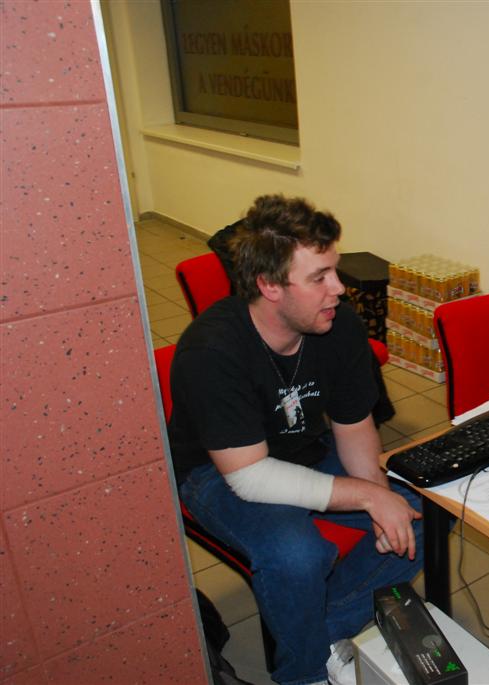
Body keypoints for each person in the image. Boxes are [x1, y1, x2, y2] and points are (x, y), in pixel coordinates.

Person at [169, 195, 423, 685]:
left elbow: (354, 426)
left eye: (335, 271)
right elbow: (250, 477)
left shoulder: (338, 325)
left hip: (304, 451)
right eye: (319, 277)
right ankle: (304, 674)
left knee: (422, 508)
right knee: (297, 554)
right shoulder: (211, 349)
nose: (339, 288)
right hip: (217, 471)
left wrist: (379, 497)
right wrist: (367, 497)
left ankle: (318, 635)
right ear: (269, 286)